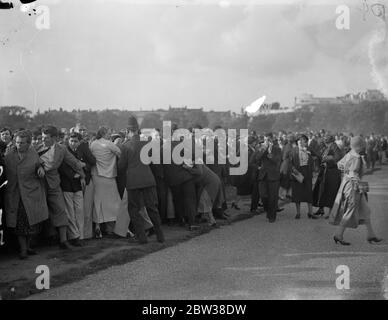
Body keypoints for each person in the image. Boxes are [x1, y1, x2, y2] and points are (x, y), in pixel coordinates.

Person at [118, 116, 164, 244]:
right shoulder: (147, 141)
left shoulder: (125, 146)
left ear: (128, 131)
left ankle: (141, 237)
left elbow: (121, 166)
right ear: (138, 129)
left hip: (133, 181)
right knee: (152, 208)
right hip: (148, 178)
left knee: (133, 209)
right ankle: (160, 236)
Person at [37, 126, 85, 249]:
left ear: (54, 138)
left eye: (46, 138)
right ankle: (36, 242)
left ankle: (64, 241)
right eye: (42, 138)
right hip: (38, 184)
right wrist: (39, 167)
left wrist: (83, 175)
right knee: (39, 211)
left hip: (54, 183)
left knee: (61, 210)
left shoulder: (62, 149)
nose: (43, 140)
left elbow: (73, 162)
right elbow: (32, 163)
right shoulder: (35, 148)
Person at [4, 130, 49, 259]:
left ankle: (28, 247)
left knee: (32, 223)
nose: (19, 145)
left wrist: (40, 168)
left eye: (22, 143)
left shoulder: (33, 153)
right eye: (17, 142)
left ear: (28, 144)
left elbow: (39, 164)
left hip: (31, 193)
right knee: (19, 224)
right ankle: (23, 250)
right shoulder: (9, 155)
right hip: (15, 194)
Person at [329, 136, 382, 245]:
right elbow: (356, 173)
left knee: (366, 210)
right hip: (353, 187)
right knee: (350, 210)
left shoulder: (349, 154)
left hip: (349, 184)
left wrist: (347, 174)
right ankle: (338, 234)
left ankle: (370, 234)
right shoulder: (357, 157)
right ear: (360, 146)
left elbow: (339, 165)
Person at [90, 126, 122, 238]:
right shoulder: (109, 144)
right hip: (108, 176)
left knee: (98, 201)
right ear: (104, 133)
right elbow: (120, 153)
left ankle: (97, 226)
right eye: (109, 132)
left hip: (96, 175)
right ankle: (112, 228)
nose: (110, 135)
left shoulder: (93, 144)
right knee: (114, 202)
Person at [58, 133, 86, 246]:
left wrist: (82, 175)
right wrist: (76, 174)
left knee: (79, 210)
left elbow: (86, 165)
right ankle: (74, 236)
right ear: (68, 140)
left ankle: (80, 235)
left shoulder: (79, 152)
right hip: (67, 184)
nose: (73, 142)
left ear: (79, 142)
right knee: (70, 212)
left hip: (77, 184)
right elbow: (63, 167)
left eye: (75, 141)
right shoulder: (64, 151)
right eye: (71, 140)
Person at [250, 133, 282, 223]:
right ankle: (268, 210)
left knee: (273, 197)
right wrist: (264, 149)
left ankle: (272, 216)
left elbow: (277, 161)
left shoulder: (277, 149)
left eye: (269, 139)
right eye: (265, 139)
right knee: (263, 195)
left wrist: (270, 153)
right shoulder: (261, 148)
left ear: (272, 139)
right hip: (263, 175)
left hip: (274, 176)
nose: (267, 141)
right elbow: (255, 158)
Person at [313, 135, 342, 218]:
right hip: (325, 172)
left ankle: (330, 212)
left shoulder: (335, 147)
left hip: (332, 172)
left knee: (331, 191)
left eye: (327, 142)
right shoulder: (327, 147)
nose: (326, 143)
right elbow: (323, 156)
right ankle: (321, 209)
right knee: (320, 190)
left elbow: (337, 158)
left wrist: (328, 160)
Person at [290, 134, 317, 219]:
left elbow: (315, 159)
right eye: (301, 140)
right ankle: (298, 213)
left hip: (307, 172)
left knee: (309, 192)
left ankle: (310, 212)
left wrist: (311, 156)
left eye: (305, 141)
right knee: (297, 193)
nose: (303, 142)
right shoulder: (294, 150)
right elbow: (289, 162)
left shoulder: (309, 150)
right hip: (298, 172)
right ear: (298, 141)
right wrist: (293, 169)